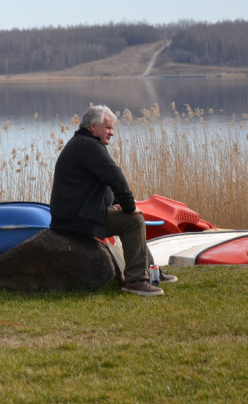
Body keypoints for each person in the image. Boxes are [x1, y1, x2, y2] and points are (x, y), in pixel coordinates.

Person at [49, 105, 177, 296]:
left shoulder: (83, 144)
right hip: (76, 219)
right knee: (133, 221)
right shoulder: (88, 145)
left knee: (126, 217)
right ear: (93, 127)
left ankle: (151, 272)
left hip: (76, 215)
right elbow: (115, 176)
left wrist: (115, 203)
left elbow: (105, 181)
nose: (112, 133)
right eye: (108, 128)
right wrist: (129, 206)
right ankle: (135, 281)